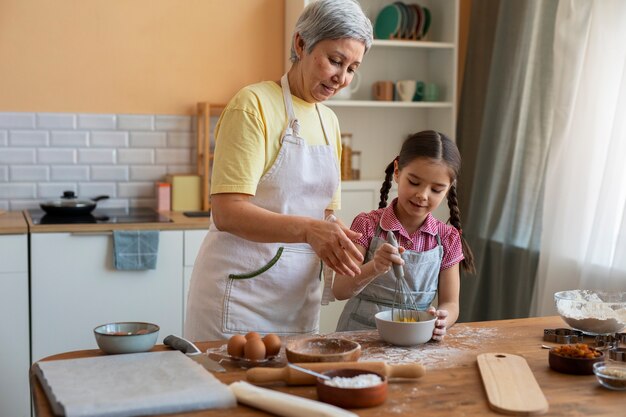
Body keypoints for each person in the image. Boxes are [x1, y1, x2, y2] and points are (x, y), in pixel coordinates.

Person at [184, 0, 373, 341]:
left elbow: (324, 213)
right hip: (239, 301)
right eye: (335, 60)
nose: (341, 78)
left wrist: (345, 240)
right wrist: (309, 231)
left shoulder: (328, 121)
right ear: (301, 44)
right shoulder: (253, 104)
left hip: (298, 302)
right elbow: (227, 211)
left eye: (352, 68)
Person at [333, 130, 476, 341]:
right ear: (398, 171)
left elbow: (451, 303)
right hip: (359, 338)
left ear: (448, 189)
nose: (423, 195)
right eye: (415, 182)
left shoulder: (448, 238)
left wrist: (443, 319)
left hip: (414, 340)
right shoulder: (367, 225)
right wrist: (375, 267)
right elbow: (340, 289)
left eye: (436, 189)